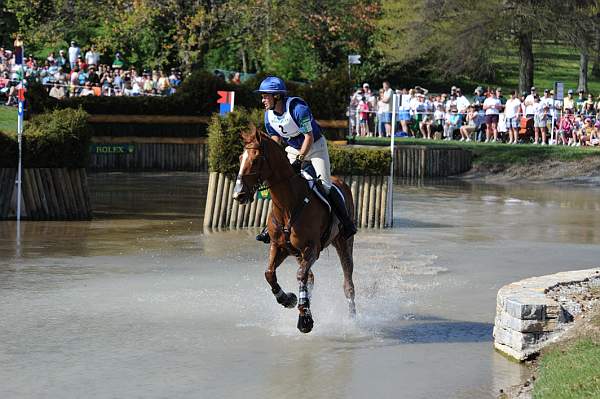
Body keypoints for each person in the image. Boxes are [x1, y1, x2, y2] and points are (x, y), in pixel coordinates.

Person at [254, 76, 357, 244]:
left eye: (266, 96)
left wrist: (300, 160)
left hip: (315, 147)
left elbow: (308, 137)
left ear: (277, 96)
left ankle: (346, 223)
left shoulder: (298, 109)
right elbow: (275, 138)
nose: (263, 99)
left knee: (325, 186)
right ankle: (272, 227)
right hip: (294, 148)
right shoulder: (269, 116)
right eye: (263, 96)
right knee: (280, 186)